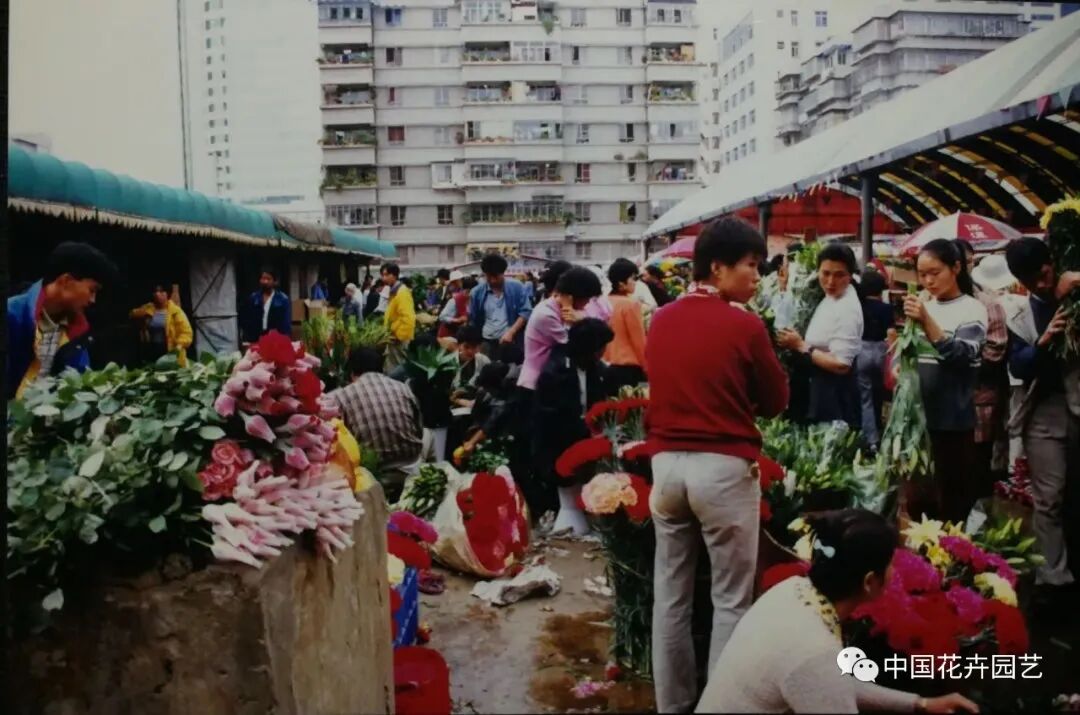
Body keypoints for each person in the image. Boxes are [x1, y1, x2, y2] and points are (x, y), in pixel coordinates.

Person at [645, 217, 789, 713]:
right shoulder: (744, 325)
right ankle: (723, 706)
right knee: (730, 599)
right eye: (751, 265)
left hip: (666, 468)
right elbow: (776, 400)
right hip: (723, 469)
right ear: (717, 267)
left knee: (671, 595)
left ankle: (672, 704)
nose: (757, 276)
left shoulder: (661, 319)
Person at [697, 510, 979, 715]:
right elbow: (822, 677)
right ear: (869, 581)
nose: (895, 572)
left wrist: (920, 704)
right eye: (891, 564)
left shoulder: (793, 592)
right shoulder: (813, 648)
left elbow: (830, 683)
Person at [1004, 237, 1080, 601]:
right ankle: (1054, 575)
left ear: (1053, 262)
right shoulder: (1018, 315)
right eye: (1030, 280)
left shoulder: (1073, 290)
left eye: (1045, 274)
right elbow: (1018, 365)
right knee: (1048, 496)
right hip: (1043, 412)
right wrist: (1044, 342)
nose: (1040, 283)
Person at [902, 239, 988, 524]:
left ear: (956, 268)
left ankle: (950, 550)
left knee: (952, 502)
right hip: (920, 423)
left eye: (935, 273)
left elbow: (962, 356)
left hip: (953, 421)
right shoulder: (925, 306)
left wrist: (927, 321)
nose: (928, 281)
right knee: (918, 501)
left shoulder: (973, 309)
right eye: (922, 274)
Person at [534, 318, 615, 534]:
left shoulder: (595, 369)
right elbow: (553, 418)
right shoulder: (555, 372)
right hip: (560, 440)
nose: (604, 352)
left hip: (586, 435)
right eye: (601, 347)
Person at [8, 242, 119, 399]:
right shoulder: (12, 315)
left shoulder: (77, 334)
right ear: (66, 281)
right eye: (92, 290)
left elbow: (79, 386)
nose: (93, 300)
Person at [776, 243, 864, 429]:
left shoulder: (847, 309)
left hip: (835, 399)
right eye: (825, 273)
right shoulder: (831, 297)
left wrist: (801, 346)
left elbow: (842, 365)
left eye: (839, 275)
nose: (831, 281)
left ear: (850, 275)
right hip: (820, 393)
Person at [331, 347, 423, 497]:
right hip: (411, 466)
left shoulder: (342, 396)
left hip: (373, 475)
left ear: (352, 372)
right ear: (382, 368)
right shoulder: (402, 388)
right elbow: (418, 428)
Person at [961, 246, 1011, 495]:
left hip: (979, 400)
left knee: (977, 464)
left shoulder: (988, 304)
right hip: (941, 408)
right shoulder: (927, 303)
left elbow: (995, 351)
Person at [518, 267, 603, 393]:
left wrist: (580, 318)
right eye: (586, 298)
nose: (588, 302)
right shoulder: (546, 314)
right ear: (572, 296)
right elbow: (574, 344)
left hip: (558, 378)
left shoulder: (575, 309)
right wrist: (573, 320)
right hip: (537, 382)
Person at [854, 269, 894, 451]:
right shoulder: (886, 308)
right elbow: (890, 332)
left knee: (865, 397)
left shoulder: (858, 307)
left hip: (862, 350)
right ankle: (881, 428)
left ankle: (871, 439)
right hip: (881, 351)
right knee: (879, 394)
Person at [469, 253, 532, 356]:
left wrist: (511, 332)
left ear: (503, 273)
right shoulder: (476, 292)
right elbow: (474, 318)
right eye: (489, 277)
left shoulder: (517, 287)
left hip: (510, 340)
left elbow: (525, 311)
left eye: (496, 276)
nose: (493, 280)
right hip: (486, 340)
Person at [604, 258, 648, 394]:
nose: (635, 282)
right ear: (621, 283)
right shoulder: (631, 304)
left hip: (606, 365)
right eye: (633, 278)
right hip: (629, 367)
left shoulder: (604, 302)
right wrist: (647, 367)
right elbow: (638, 340)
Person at [129, 284, 194, 367]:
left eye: (161, 291)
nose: (157, 294)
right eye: (155, 292)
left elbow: (186, 333)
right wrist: (144, 313)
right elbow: (132, 314)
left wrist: (179, 346)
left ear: (167, 294)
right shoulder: (149, 308)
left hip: (170, 350)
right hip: (152, 350)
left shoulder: (175, 312)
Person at [381, 263, 416, 372]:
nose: (384, 278)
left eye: (387, 275)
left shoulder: (402, 292)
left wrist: (399, 336)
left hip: (399, 339)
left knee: (398, 368)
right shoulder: (394, 291)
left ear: (394, 275)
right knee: (393, 366)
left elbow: (408, 318)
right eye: (383, 275)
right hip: (393, 336)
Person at [242, 269, 292, 344]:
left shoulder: (282, 299)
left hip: (275, 338)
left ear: (275, 282)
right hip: (256, 337)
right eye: (263, 278)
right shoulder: (254, 298)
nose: (265, 282)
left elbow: (286, 323)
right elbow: (248, 319)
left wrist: (284, 340)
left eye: (268, 279)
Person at [451, 325, 490, 401]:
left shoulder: (483, 360)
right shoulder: (449, 363)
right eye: (466, 347)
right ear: (458, 345)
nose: (470, 351)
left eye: (474, 347)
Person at [437, 271, 471, 339]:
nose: (454, 284)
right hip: (451, 333)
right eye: (453, 282)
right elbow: (442, 316)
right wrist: (457, 320)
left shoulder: (466, 295)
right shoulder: (454, 297)